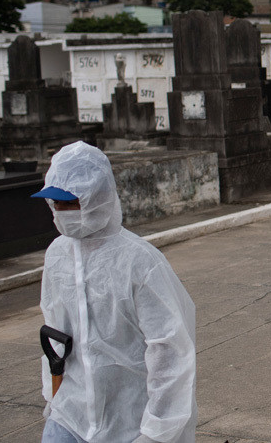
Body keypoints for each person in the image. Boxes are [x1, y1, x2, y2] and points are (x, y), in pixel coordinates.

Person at [35, 141, 197, 443]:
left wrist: (157, 430)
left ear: (98, 197)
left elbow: (170, 350)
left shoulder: (139, 262)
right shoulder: (57, 255)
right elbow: (55, 334)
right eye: (55, 204)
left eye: (70, 203)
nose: (61, 212)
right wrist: (52, 394)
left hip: (129, 422)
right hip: (71, 415)